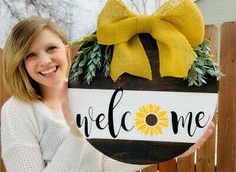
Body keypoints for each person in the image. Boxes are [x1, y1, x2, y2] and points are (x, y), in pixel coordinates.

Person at [1, 16, 214, 172]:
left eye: (51, 48)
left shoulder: (91, 96)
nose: (45, 60)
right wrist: (76, 135)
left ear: (66, 51)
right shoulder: (18, 111)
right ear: (20, 62)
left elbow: (106, 164)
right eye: (31, 55)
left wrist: (172, 150)